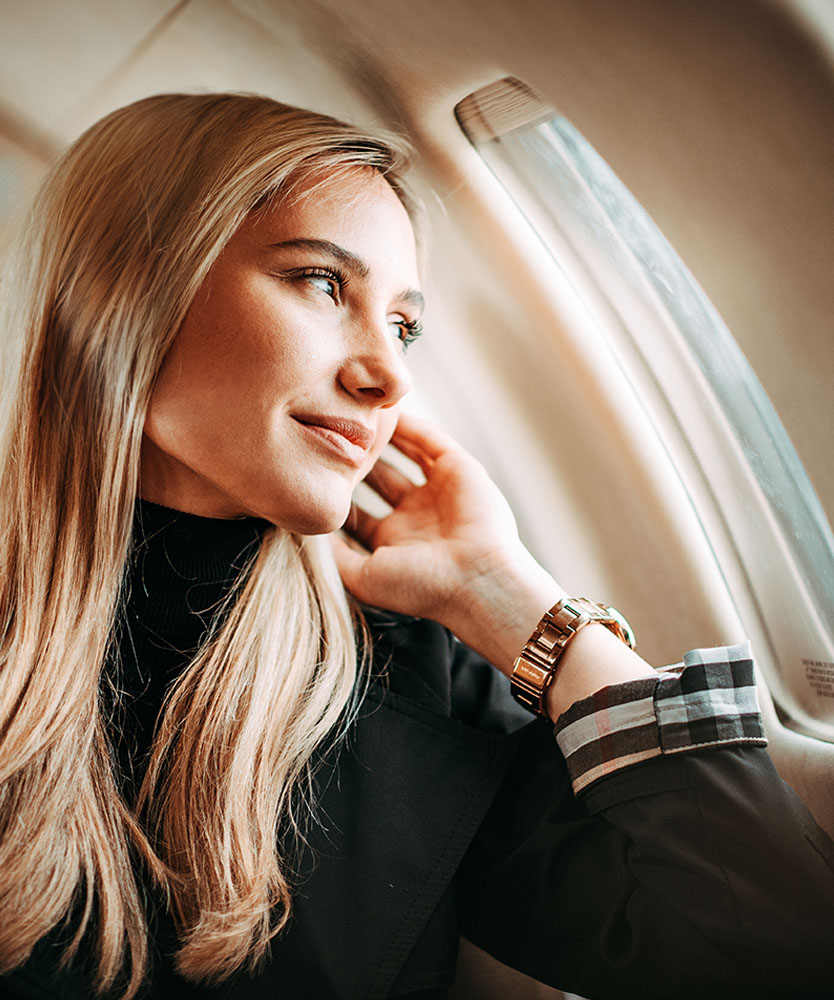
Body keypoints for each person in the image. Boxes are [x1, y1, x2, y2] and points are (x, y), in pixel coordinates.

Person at [0, 92, 832, 1000]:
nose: (389, 373)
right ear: (122, 289)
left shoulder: (410, 674)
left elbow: (778, 950)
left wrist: (508, 598)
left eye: (404, 326)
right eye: (323, 283)